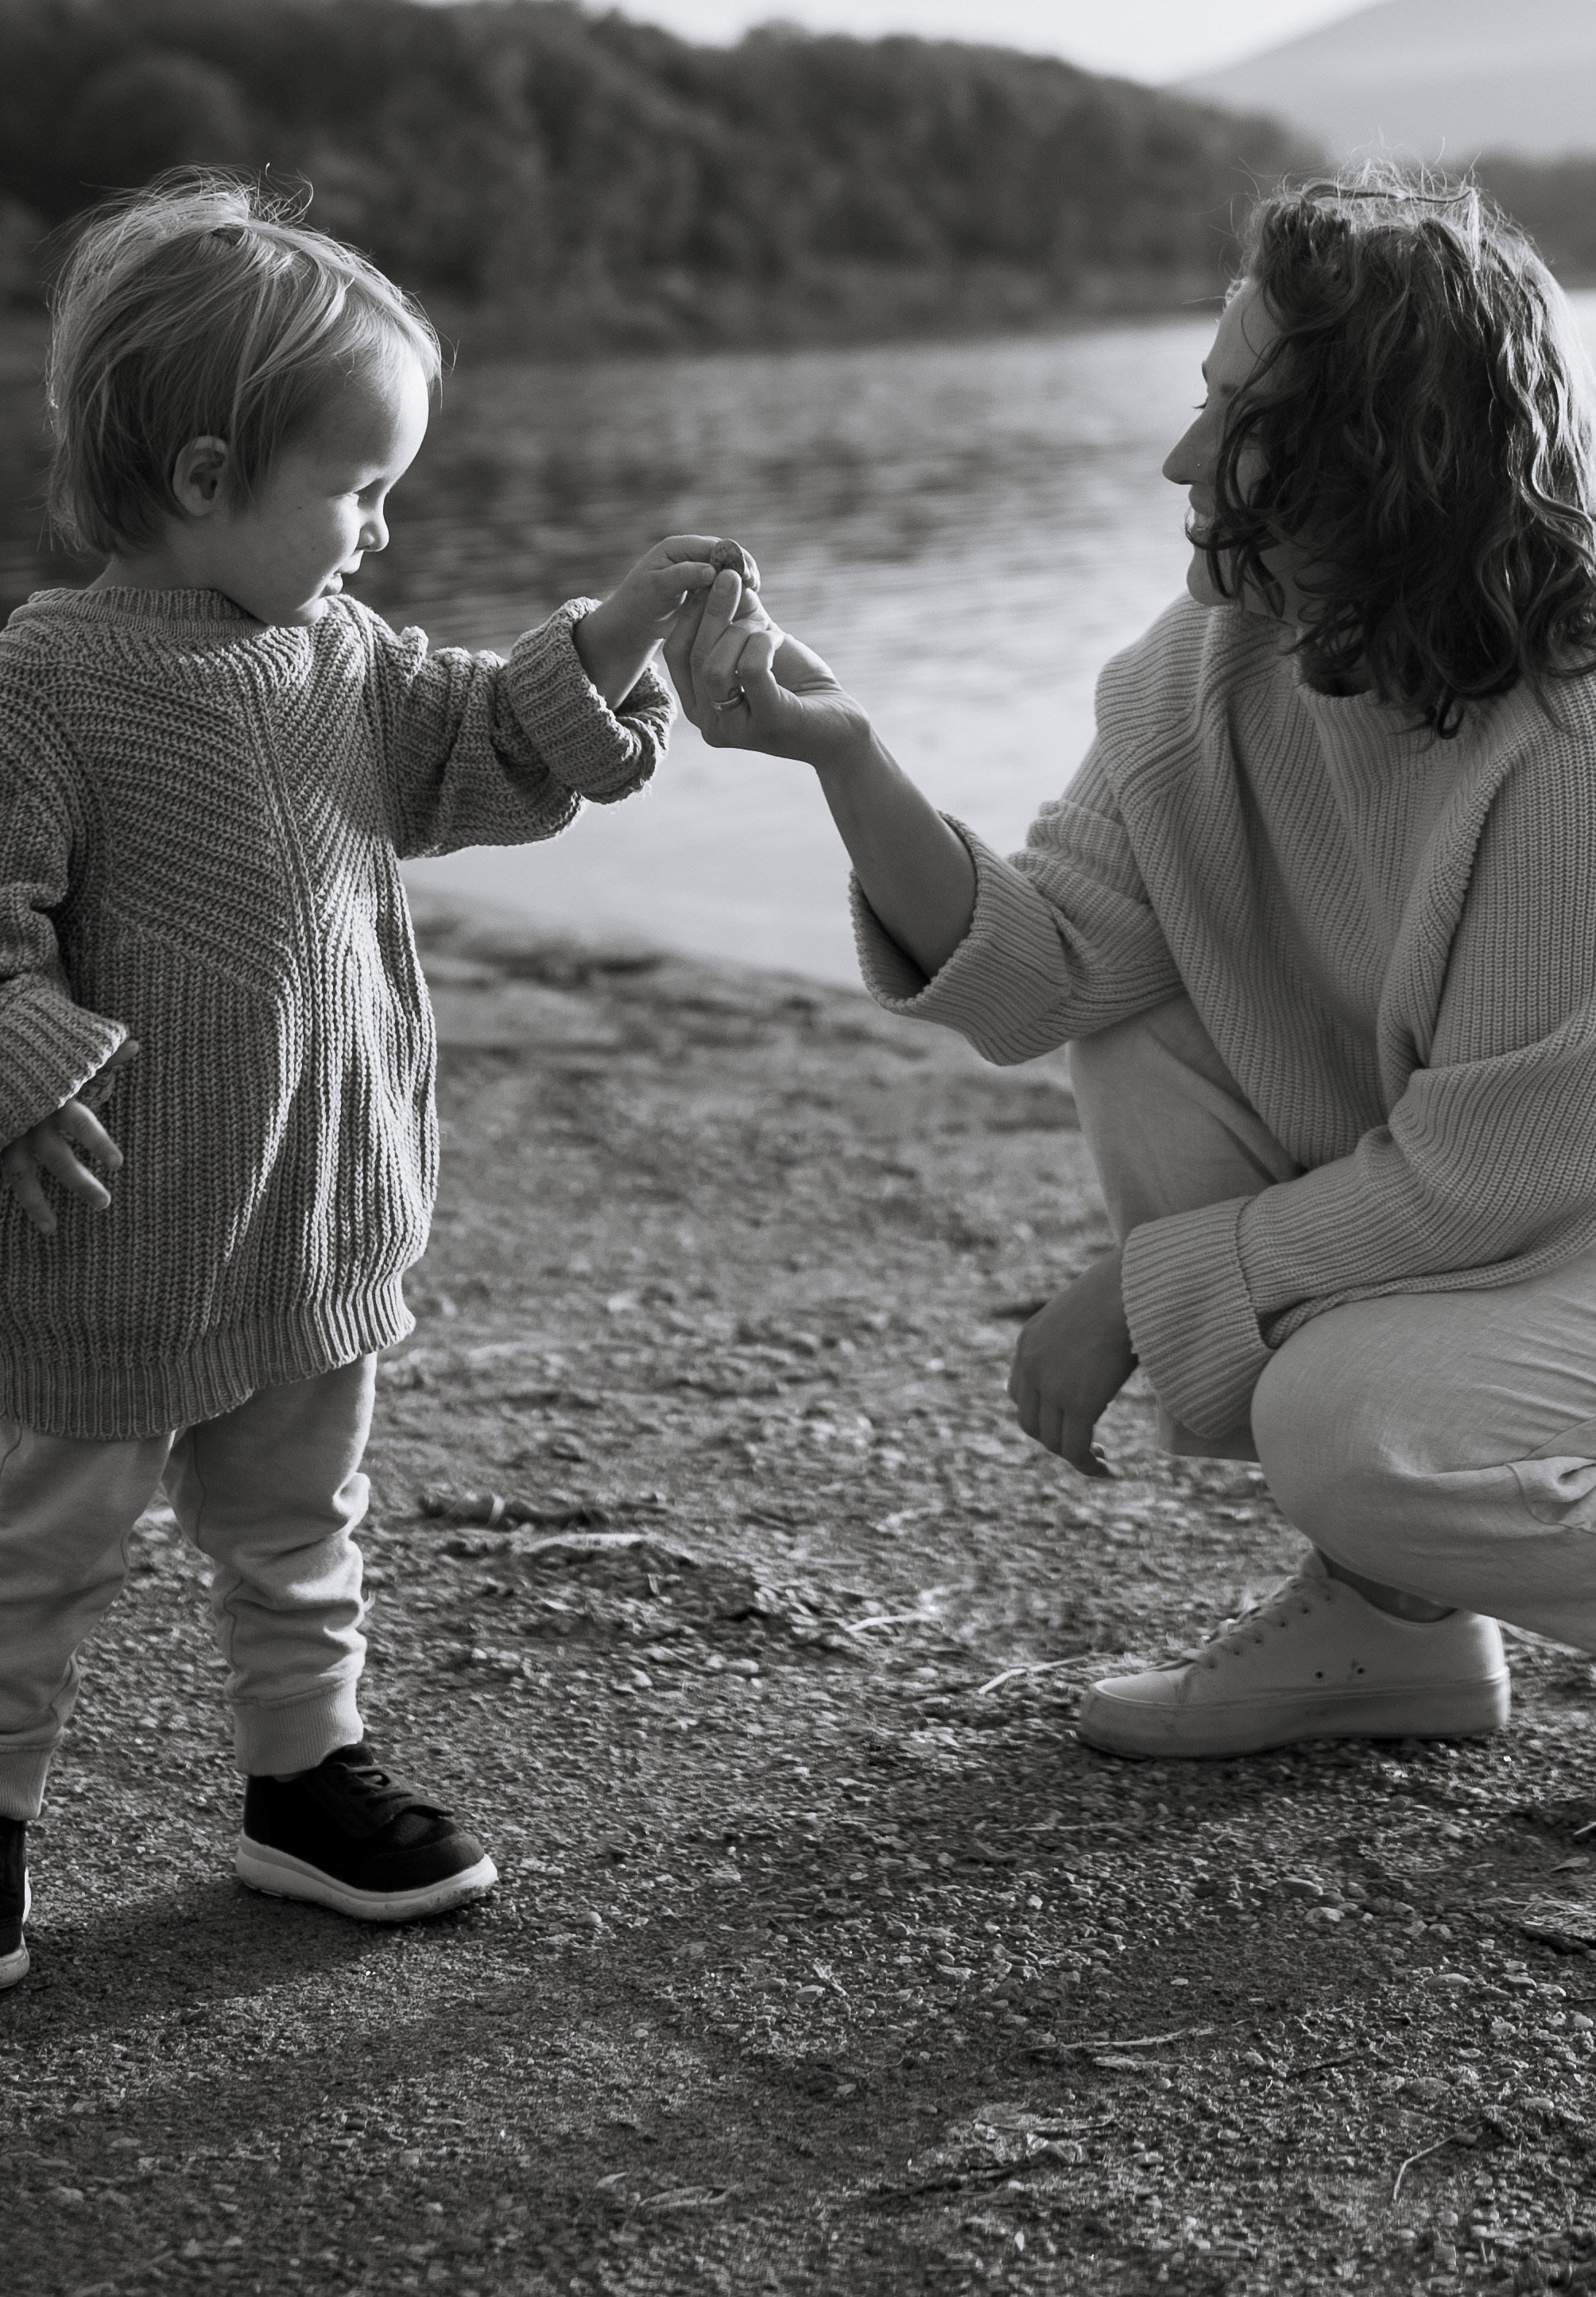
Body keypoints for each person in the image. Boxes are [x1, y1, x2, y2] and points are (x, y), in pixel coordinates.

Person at [668, 175, 1596, 1764]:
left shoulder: (1563, 739)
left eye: (1236, 413)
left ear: (1367, 457)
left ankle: (1388, 1564)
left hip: (1554, 1226)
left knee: (1345, 1430)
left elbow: (1474, 1183)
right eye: (1202, 397)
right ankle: (1387, 1629)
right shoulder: (1205, 662)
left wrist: (1142, 1292)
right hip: (1504, 1220)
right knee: (1139, 1018)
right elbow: (1041, 974)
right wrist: (845, 756)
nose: (1181, 456)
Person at [0, 173, 722, 1993]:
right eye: (358, 488)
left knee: (303, 1524)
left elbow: (470, 742)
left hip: (309, 1200)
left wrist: (606, 639)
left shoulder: (344, 658)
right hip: (121, 1218)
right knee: (48, 1538)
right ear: (208, 479)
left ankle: (302, 1783)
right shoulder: (41, 689)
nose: (379, 530)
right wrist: (9, 1065)